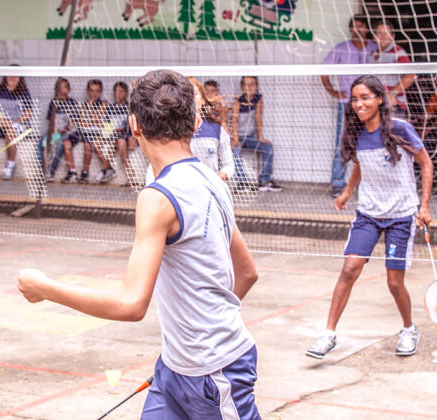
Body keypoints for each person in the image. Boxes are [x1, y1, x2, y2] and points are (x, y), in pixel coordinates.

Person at [18, 70, 261, 419]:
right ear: (194, 121)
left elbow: (131, 304)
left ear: (133, 125)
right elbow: (248, 273)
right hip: (176, 368)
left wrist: (45, 288)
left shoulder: (157, 198)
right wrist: (187, 344)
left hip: (216, 373)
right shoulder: (213, 180)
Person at [306, 75, 433, 359]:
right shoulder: (356, 130)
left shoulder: (400, 129)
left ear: (379, 99)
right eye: (355, 99)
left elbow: (426, 162)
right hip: (369, 213)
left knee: (394, 282)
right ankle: (328, 334)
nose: (359, 104)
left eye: (365, 97)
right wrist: (347, 192)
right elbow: (360, 166)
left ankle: (409, 329)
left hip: (401, 214)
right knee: (349, 269)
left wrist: (424, 206)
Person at [321, 14, 377, 198]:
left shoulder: (374, 48)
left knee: (370, 141)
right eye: (354, 26)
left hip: (370, 105)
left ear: (367, 29)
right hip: (347, 104)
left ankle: (367, 185)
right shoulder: (342, 49)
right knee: (343, 142)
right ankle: (338, 183)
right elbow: (323, 72)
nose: (357, 30)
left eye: (360, 26)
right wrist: (333, 92)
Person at [231, 76, 282, 192]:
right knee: (235, 151)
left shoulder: (258, 99)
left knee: (267, 147)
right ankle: (243, 183)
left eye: (252, 84)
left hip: (249, 138)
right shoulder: (238, 100)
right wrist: (234, 138)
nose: (249, 87)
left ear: (257, 86)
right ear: (242, 87)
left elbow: (258, 117)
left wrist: (260, 137)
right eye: (246, 84)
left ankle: (265, 181)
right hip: (237, 137)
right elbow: (234, 120)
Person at [0, 74, 33, 180]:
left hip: (18, 125)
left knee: (11, 131)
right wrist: (5, 122)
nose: (12, 77)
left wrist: (15, 122)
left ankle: (10, 165)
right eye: (10, 74)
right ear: (5, 76)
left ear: (20, 79)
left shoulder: (24, 93)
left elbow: (27, 114)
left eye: (16, 76)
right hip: (0, 124)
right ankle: (9, 124)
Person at [188, 77, 234, 181]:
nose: (190, 98)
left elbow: (229, 165)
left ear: (203, 100)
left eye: (194, 94)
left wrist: (222, 176)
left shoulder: (217, 130)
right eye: (186, 94)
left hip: (210, 191)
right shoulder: (171, 131)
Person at [62, 79, 107, 184]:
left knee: (87, 145)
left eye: (97, 91)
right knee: (66, 143)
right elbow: (81, 124)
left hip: (95, 133)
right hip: (82, 131)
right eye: (92, 91)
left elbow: (97, 120)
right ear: (88, 91)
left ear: (101, 92)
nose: (94, 94)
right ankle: (72, 171)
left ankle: (85, 173)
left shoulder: (104, 104)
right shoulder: (83, 105)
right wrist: (92, 121)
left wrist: (90, 106)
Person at [368, 21, 416, 119]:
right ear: (374, 36)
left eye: (386, 33)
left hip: (394, 105)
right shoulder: (372, 55)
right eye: (380, 33)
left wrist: (393, 93)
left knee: (393, 134)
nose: (383, 36)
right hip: (376, 105)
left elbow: (410, 75)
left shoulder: (398, 52)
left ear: (393, 36)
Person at [37, 78, 78, 182]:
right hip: (54, 131)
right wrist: (53, 130)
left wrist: (64, 130)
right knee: (40, 142)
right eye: (59, 87)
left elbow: (72, 121)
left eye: (64, 87)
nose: (61, 89)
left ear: (68, 89)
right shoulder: (53, 102)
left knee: (59, 145)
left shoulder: (72, 103)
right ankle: (43, 168)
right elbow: (51, 120)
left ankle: (50, 171)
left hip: (66, 133)